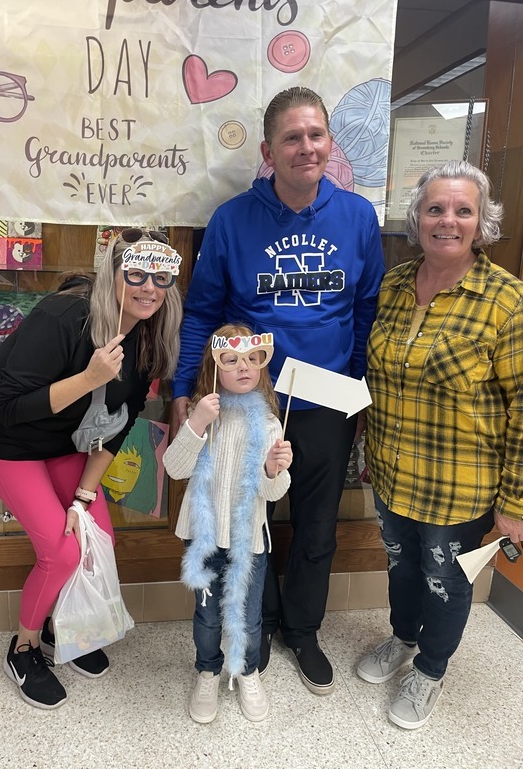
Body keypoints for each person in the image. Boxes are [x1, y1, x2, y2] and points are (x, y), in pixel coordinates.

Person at [171, 87, 385, 695]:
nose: (306, 147)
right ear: (268, 151)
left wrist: (357, 389)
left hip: (327, 401)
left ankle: (303, 630)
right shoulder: (232, 219)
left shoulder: (357, 218)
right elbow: (201, 313)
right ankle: (258, 623)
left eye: (315, 135)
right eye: (292, 138)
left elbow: (365, 309)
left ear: (330, 143)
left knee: (317, 527)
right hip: (250, 401)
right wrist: (184, 388)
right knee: (249, 520)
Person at [0, 229, 183, 710]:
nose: (149, 287)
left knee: (96, 538)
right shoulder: (64, 315)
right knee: (61, 553)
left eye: (160, 277)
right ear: (113, 274)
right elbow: (7, 408)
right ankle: (23, 648)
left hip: (66, 440)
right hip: (6, 439)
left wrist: (83, 497)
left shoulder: (150, 334)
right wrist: (88, 379)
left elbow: (121, 423)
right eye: (136, 274)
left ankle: (57, 626)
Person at [358, 160, 523, 730]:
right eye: (435, 208)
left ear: (482, 223)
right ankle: (403, 638)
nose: (447, 220)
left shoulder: (507, 301)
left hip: (459, 487)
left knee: (445, 582)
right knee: (401, 569)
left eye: (462, 210)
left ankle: (430, 669)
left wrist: (515, 503)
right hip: (391, 472)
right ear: (417, 218)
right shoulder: (395, 285)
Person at [163, 324, 292, 723]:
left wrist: (273, 469)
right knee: (207, 618)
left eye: (252, 360)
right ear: (214, 367)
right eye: (231, 360)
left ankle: (247, 672)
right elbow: (174, 468)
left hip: (247, 540)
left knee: (248, 618)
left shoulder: (269, 423)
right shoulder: (204, 412)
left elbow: (272, 493)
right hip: (203, 537)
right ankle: (207, 671)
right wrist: (197, 423)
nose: (243, 367)